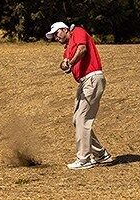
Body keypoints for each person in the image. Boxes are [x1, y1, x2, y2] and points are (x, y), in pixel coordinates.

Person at [46, 21, 113, 170]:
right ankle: (101, 155)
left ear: (65, 29)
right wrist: (65, 64)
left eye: (57, 33)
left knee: (82, 118)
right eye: (53, 36)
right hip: (84, 82)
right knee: (77, 120)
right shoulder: (67, 49)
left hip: (92, 77)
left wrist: (69, 63)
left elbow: (82, 49)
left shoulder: (77, 31)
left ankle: (84, 159)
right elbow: (66, 65)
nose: (56, 37)